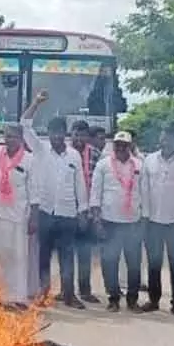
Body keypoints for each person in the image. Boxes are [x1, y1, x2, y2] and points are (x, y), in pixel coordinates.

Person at [20, 91, 88, 309]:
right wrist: (36, 103)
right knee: (44, 256)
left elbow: (80, 184)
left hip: (68, 214)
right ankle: (44, 293)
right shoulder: (40, 150)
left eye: (60, 132)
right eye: (53, 132)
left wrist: (83, 210)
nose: (57, 136)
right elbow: (24, 125)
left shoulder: (74, 155)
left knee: (67, 257)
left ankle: (69, 295)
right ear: (48, 134)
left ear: (64, 134)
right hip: (46, 212)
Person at [141, 125, 174, 315]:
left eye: (169, 138)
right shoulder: (149, 160)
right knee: (154, 262)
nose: (165, 141)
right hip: (153, 221)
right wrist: (145, 216)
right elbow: (144, 190)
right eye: (163, 138)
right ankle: (153, 300)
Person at [90, 131, 145, 312]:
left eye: (124, 145)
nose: (120, 148)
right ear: (113, 145)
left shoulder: (139, 165)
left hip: (133, 222)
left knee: (134, 263)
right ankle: (113, 298)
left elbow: (145, 193)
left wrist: (144, 219)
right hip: (109, 221)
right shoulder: (103, 164)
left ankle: (132, 300)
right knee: (109, 262)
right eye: (117, 145)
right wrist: (96, 220)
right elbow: (95, 193)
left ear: (130, 146)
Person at [0, 124, 36, 306]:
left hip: (18, 216)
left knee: (17, 258)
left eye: (12, 136)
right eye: (6, 136)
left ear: (21, 139)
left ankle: (17, 298)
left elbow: (34, 191)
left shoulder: (29, 160)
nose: (8, 140)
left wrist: (34, 217)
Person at [69, 119, 101, 304]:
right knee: (66, 254)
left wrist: (95, 213)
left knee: (84, 253)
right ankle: (66, 290)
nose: (79, 138)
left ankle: (85, 290)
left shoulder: (95, 154)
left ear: (88, 137)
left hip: (87, 212)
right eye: (76, 134)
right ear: (71, 135)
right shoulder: (64, 153)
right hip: (65, 211)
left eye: (82, 135)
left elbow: (98, 185)